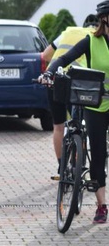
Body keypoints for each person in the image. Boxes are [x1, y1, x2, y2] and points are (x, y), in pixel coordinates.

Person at [41, 1, 109, 224]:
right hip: (96, 104)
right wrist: (49, 73)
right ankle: (101, 206)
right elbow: (62, 58)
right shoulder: (92, 40)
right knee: (98, 155)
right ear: (105, 19)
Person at [41, 15, 97, 172]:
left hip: (55, 78)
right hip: (78, 83)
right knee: (81, 125)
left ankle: (62, 167)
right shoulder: (95, 38)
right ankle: (78, 168)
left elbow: (45, 55)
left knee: (58, 126)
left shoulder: (68, 31)